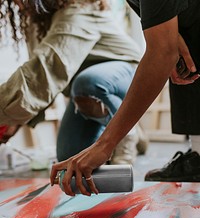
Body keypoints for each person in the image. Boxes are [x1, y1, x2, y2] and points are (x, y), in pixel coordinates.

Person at [49, 0, 200, 196]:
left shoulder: (78, 11)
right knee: (70, 152)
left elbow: (162, 53)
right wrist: (171, 36)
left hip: (118, 70)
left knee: (168, 51)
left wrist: (104, 145)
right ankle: (198, 154)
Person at [0, 0, 148, 165]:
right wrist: (14, 123)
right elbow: (42, 84)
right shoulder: (39, 22)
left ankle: (126, 136)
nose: (18, 4)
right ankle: (129, 125)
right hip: (83, 92)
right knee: (69, 156)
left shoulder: (79, 7)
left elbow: (46, 71)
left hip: (126, 73)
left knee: (89, 82)